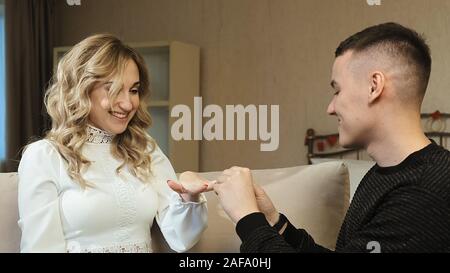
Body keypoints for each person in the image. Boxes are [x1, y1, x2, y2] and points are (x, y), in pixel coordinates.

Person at [212, 22, 450, 252]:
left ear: (374, 86)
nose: (331, 108)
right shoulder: (384, 173)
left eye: (337, 91)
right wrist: (274, 222)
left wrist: (247, 218)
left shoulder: (425, 192)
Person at [17, 34, 209, 253]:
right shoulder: (44, 156)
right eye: (113, 89)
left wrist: (189, 197)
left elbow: (180, 238)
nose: (128, 104)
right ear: (81, 90)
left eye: (134, 90)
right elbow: (40, 249)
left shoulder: (144, 149)